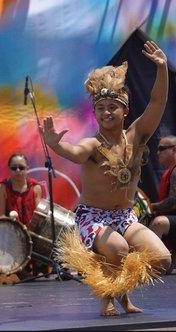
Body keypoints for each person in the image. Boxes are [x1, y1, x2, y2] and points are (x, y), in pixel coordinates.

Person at [40, 41, 171, 316]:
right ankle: (108, 299)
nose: (106, 112)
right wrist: (55, 145)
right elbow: (74, 153)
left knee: (162, 259)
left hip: (125, 216)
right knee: (119, 248)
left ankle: (117, 286)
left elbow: (158, 101)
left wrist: (161, 69)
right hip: (93, 217)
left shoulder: (137, 135)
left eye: (113, 106)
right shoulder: (92, 144)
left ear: (125, 110)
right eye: (101, 108)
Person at [149, 135, 176, 273]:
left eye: (162, 149)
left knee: (159, 223)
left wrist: (151, 206)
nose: (157, 153)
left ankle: (155, 266)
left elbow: (173, 202)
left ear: (174, 150)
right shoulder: (169, 171)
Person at [0, 153, 43, 227]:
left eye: (21, 168)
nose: (18, 170)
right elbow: (1, 217)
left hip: (32, 232)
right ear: (9, 168)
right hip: (9, 231)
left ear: (27, 168)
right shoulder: (1, 187)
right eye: (14, 168)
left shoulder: (35, 187)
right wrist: (20, 230)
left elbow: (39, 216)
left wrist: (29, 229)